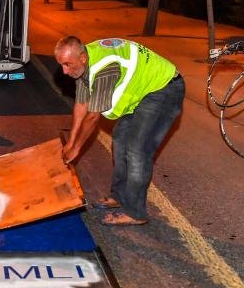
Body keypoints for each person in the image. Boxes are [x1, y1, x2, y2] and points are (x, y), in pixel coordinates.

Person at [55, 36, 184, 226]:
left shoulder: (105, 68)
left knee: (137, 151)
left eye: (67, 64)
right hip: (142, 93)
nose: (65, 71)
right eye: (62, 65)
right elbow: (81, 104)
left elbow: (92, 116)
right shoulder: (83, 64)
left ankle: (135, 212)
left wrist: (77, 148)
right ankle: (120, 196)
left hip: (164, 89)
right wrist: (71, 142)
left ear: (82, 57)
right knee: (120, 139)